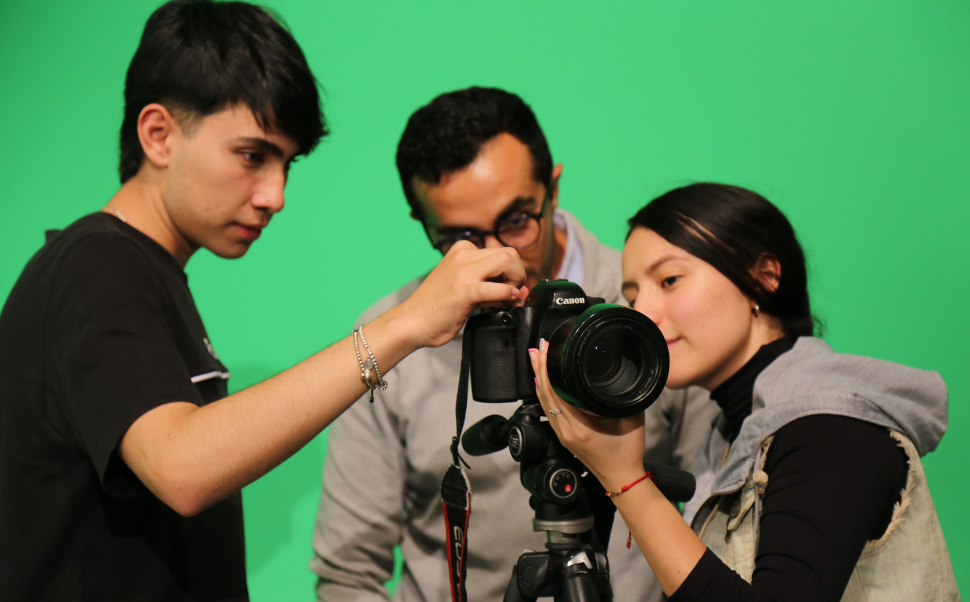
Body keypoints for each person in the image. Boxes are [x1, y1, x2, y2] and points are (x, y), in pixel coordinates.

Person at [0, 4, 530, 601]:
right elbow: (182, 467)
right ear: (159, 134)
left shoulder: (140, 271)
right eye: (252, 155)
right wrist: (405, 324)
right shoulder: (96, 266)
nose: (275, 196)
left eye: (286, 162)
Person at [310, 87, 717, 602]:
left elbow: (715, 513)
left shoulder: (648, 302)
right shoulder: (389, 338)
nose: (496, 255)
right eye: (460, 237)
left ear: (554, 188)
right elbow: (348, 572)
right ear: (424, 224)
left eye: (517, 221)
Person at [528, 183, 959, 601]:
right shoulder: (735, 432)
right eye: (633, 295)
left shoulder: (832, 426)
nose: (644, 313)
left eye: (670, 280)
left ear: (765, 276)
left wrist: (626, 477)